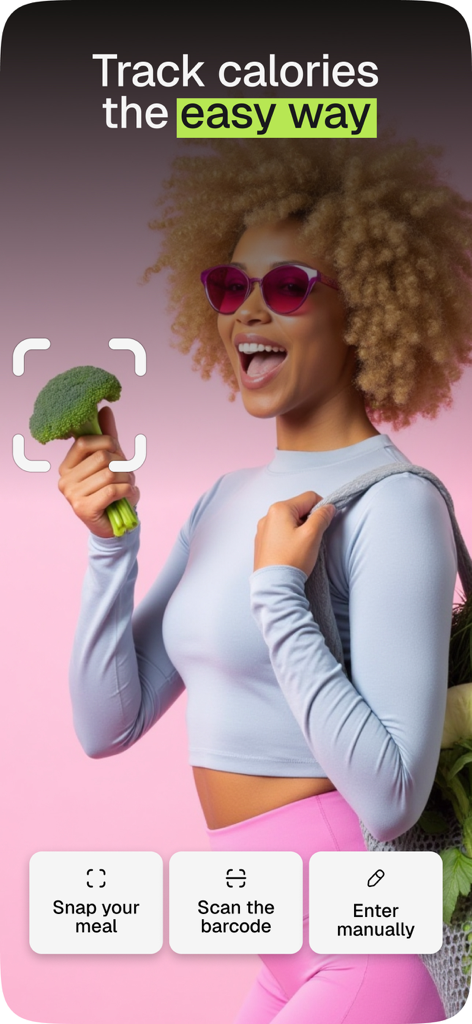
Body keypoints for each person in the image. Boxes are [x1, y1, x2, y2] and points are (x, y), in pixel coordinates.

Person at [59, 138, 472, 1023]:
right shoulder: (222, 499)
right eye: (229, 285)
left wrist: (281, 597)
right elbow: (106, 726)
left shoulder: (395, 505)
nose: (248, 310)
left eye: (287, 286)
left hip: (369, 947)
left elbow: (392, 800)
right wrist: (108, 548)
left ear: (367, 308)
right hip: (282, 949)